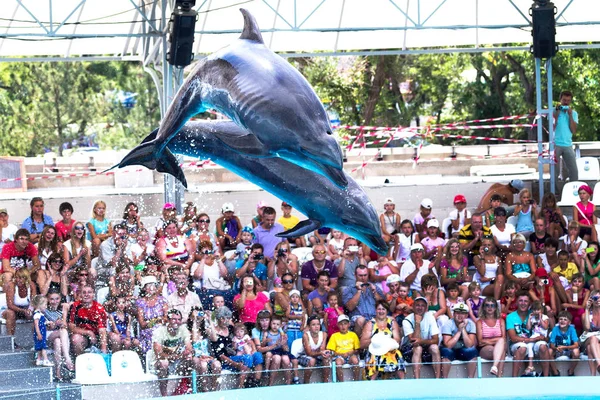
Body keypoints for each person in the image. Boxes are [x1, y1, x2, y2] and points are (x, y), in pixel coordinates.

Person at [211, 306, 263, 389]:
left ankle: (256, 382)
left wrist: (253, 349)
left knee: (258, 355)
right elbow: (220, 355)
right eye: (224, 318)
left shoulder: (231, 329)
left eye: (228, 318)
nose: (226, 321)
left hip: (238, 356)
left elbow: (248, 339)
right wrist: (236, 364)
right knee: (247, 357)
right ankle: (241, 387)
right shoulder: (215, 335)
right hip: (227, 361)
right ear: (219, 319)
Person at [153, 309, 201, 397]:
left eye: (179, 319)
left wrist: (189, 352)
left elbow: (189, 347)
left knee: (195, 360)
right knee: (164, 362)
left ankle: (194, 391)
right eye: (174, 319)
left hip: (178, 363)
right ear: (168, 320)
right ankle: (164, 396)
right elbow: (159, 354)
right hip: (161, 363)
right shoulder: (159, 331)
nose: (177, 322)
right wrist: (177, 356)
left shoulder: (183, 329)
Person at [505, 290, 551, 377]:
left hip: (535, 343)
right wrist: (531, 339)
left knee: (543, 346)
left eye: (526, 301)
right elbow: (513, 338)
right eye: (520, 301)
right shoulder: (510, 317)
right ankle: (514, 378)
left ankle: (546, 377)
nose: (523, 303)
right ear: (516, 303)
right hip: (517, 344)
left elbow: (546, 330)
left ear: (529, 303)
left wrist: (543, 338)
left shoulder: (534, 314)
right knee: (523, 347)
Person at [360, 300, 405, 380]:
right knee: (376, 356)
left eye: (383, 309)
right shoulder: (370, 324)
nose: (381, 311)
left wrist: (385, 342)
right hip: (374, 350)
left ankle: (402, 381)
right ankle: (371, 382)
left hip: (390, 349)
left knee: (397, 354)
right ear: (376, 310)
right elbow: (362, 344)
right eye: (379, 309)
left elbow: (397, 340)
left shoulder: (392, 323)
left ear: (387, 311)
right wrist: (376, 340)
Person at [401, 296, 441, 379]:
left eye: (423, 306)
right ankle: (417, 380)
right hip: (409, 350)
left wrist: (421, 341)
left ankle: (438, 379)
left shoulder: (430, 317)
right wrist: (417, 323)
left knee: (435, 347)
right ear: (413, 306)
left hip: (424, 347)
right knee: (418, 348)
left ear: (426, 308)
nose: (420, 308)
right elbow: (414, 341)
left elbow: (436, 340)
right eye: (417, 305)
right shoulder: (407, 320)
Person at [341, 264, 384, 337]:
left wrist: (375, 292)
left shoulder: (374, 287)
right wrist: (359, 290)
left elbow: (383, 305)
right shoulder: (349, 289)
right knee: (361, 319)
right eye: (360, 275)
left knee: (391, 319)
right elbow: (350, 307)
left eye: (365, 275)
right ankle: (359, 345)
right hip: (358, 319)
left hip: (374, 318)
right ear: (355, 275)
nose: (363, 278)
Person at [68, 285, 108, 356]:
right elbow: (71, 328)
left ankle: (108, 360)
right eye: (84, 292)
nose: (86, 295)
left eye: (89, 292)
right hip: (83, 336)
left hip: (98, 336)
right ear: (80, 294)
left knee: (115, 338)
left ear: (93, 294)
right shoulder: (75, 306)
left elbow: (102, 330)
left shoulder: (99, 308)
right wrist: (88, 332)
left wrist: (103, 350)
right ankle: (81, 362)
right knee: (75, 338)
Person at [440, 302, 478, 378]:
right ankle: (444, 380)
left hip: (463, 350)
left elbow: (469, 345)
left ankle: (471, 380)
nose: (460, 315)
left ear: (467, 315)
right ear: (453, 314)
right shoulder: (448, 323)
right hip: (451, 350)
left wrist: (463, 329)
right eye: (458, 313)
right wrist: (459, 331)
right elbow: (448, 345)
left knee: (473, 351)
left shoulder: (471, 324)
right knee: (446, 351)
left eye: (463, 313)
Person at [45, 290, 74, 380]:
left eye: (57, 299)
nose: (55, 301)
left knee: (58, 342)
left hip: (60, 336)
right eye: (52, 299)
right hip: (48, 335)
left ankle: (58, 372)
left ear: (60, 299)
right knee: (63, 331)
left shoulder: (63, 307)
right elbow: (41, 327)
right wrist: (52, 324)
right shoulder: (44, 308)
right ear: (48, 299)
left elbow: (64, 324)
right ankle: (67, 358)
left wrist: (60, 322)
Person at [136, 275, 168, 353]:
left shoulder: (162, 300)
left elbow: (167, 318)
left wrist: (152, 322)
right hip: (148, 331)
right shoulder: (140, 303)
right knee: (153, 334)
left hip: (162, 329)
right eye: (148, 285)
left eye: (153, 285)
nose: (151, 288)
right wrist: (157, 320)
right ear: (144, 288)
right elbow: (142, 324)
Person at [1, 268, 36, 336]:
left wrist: (30, 310)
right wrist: (23, 311)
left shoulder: (31, 285)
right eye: (16, 277)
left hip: (24, 310)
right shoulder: (12, 285)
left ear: (26, 278)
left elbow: (34, 302)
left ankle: (36, 340)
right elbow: (10, 305)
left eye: (20, 278)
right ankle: (11, 341)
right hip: (11, 310)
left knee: (37, 314)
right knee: (11, 314)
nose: (17, 280)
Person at [476, 296, 506, 377]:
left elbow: (503, 339)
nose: (490, 307)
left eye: (492, 305)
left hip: (497, 346)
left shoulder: (501, 321)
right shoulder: (479, 322)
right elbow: (480, 341)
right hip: (485, 349)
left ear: (496, 308)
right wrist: (497, 340)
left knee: (501, 347)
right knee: (499, 349)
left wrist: (488, 341)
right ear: (484, 307)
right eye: (487, 305)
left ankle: (495, 368)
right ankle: (499, 375)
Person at [326, 314, 361, 382]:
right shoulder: (334, 336)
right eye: (341, 324)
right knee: (338, 363)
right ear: (338, 325)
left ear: (349, 324)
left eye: (345, 324)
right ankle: (341, 382)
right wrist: (341, 354)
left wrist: (351, 352)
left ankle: (356, 381)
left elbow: (357, 349)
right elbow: (331, 351)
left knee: (355, 361)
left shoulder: (353, 335)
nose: (343, 326)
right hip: (339, 356)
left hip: (350, 355)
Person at [553, 90, 578, 182]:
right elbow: (551, 127)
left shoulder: (574, 113)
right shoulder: (554, 111)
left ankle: (573, 190)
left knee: (573, 170)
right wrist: (557, 113)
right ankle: (555, 192)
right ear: (560, 100)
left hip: (568, 144)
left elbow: (574, 130)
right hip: (555, 144)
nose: (566, 102)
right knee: (554, 171)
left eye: (568, 100)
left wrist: (570, 115)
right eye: (564, 100)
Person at [299, 315, 331, 383]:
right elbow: (308, 353)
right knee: (312, 360)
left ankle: (326, 382)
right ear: (309, 327)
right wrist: (321, 352)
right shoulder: (306, 335)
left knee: (326, 359)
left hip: (317, 356)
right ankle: (306, 383)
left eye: (318, 324)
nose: (316, 327)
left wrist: (324, 353)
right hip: (304, 356)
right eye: (313, 325)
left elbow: (322, 349)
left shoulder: (324, 334)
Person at [549, 310, 580, 376]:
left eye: (565, 319)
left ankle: (571, 371)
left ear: (569, 322)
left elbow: (576, 344)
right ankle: (555, 372)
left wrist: (564, 347)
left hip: (569, 350)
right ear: (558, 321)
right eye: (560, 319)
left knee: (576, 352)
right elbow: (551, 344)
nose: (562, 321)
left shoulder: (572, 329)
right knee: (549, 351)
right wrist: (556, 348)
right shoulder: (555, 329)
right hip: (557, 350)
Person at [581, 290, 600, 374]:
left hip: (597, 342)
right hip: (587, 338)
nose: (598, 300)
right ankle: (599, 364)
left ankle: (592, 376)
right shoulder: (585, 314)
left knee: (590, 348)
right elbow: (587, 328)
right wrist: (587, 309)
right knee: (593, 338)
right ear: (591, 300)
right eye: (596, 298)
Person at [31, 295, 53, 367]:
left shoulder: (40, 314)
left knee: (40, 347)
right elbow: (36, 325)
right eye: (45, 305)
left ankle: (39, 359)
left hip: (42, 332)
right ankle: (45, 360)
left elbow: (42, 322)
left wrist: (47, 323)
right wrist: (38, 333)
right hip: (40, 333)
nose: (46, 307)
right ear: (39, 305)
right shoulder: (37, 314)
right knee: (43, 347)